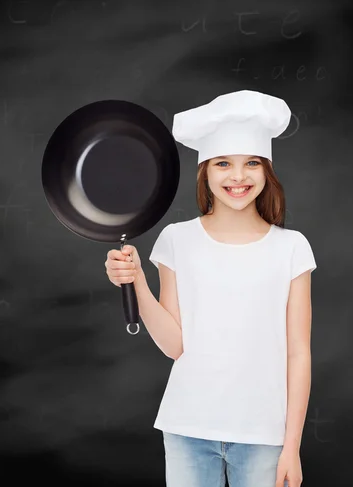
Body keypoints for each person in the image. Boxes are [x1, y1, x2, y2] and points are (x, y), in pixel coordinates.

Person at [104, 90, 317, 487]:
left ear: (266, 170)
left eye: (251, 163)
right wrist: (136, 283)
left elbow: (298, 353)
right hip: (187, 427)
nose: (238, 177)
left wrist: (292, 446)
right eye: (223, 164)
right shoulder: (176, 240)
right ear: (206, 171)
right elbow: (174, 346)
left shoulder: (292, 248)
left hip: (264, 436)